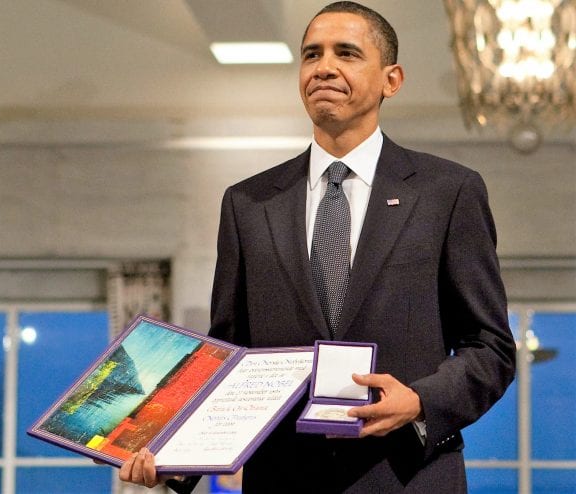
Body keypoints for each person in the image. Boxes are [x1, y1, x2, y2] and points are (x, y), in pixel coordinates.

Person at [120, 2, 516, 492]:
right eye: (311, 55)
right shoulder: (247, 203)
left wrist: (418, 401)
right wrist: (182, 455)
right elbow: (230, 356)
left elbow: (491, 347)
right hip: (284, 479)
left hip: (407, 476)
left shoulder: (447, 192)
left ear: (391, 80)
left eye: (346, 53)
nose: (324, 67)